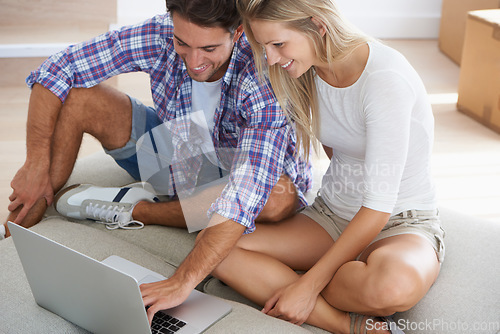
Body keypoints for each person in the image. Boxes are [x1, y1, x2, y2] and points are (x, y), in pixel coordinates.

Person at [1, 0, 313, 323]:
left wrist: (182, 281)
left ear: (237, 32)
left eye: (208, 48)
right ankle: (15, 232)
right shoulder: (161, 33)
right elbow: (58, 68)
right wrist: (35, 162)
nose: (194, 61)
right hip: (182, 154)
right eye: (182, 43)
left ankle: (138, 210)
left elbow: (244, 195)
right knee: (79, 99)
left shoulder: (262, 73)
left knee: (275, 198)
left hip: (255, 180)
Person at [211, 0, 446, 333]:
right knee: (220, 248)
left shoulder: (385, 79)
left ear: (317, 25)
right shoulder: (305, 70)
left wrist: (308, 286)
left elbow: (378, 208)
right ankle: (345, 324)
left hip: (400, 222)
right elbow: (338, 151)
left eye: (278, 44)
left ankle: (298, 280)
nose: (272, 58)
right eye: (264, 47)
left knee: (392, 287)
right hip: (332, 215)